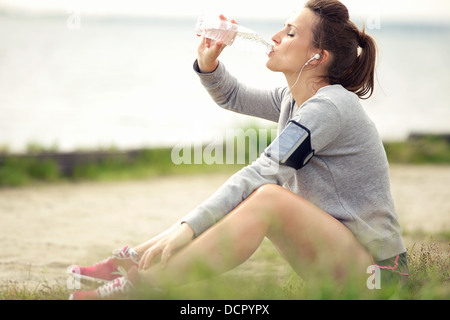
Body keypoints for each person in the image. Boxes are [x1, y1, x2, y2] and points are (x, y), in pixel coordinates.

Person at [68, 0, 409, 300]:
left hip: (380, 278)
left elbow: (265, 171)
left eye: (290, 33)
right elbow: (233, 96)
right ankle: (129, 263)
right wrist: (209, 64)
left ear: (318, 57)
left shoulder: (329, 109)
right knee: (260, 194)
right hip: (339, 258)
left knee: (267, 196)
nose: (275, 37)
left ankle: (140, 288)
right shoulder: (296, 100)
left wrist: (189, 226)